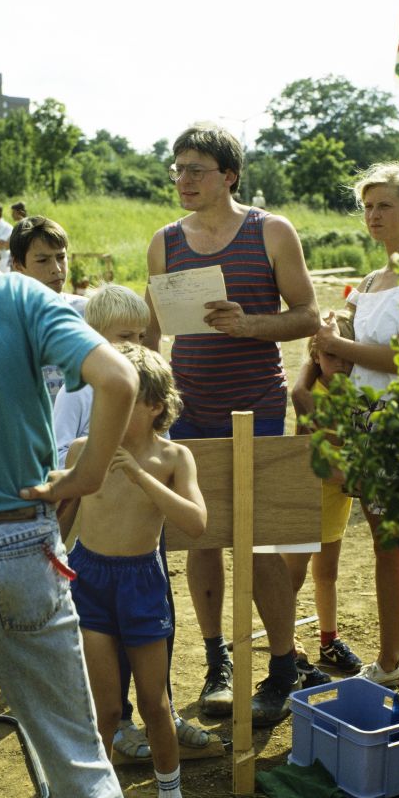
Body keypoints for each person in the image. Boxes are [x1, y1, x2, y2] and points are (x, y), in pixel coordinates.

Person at [0, 156, 140, 798]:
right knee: (77, 764)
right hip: (17, 544)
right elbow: (119, 377)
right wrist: (85, 475)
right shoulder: (20, 295)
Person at [145, 123, 320, 726]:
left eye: (196, 169)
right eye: (178, 168)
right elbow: (150, 335)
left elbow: (307, 316)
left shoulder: (270, 231)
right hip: (188, 408)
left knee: (262, 539)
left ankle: (280, 666)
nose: (183, 180)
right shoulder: (164, 242)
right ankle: (218, 662)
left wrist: (250, 325)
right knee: (202, 539)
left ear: (228, 175)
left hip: (258, 406)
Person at [53, 283, 210, 759]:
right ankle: (99, 780)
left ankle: (168, 783)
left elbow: (194, 519)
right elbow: (64, 498)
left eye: (142, 336)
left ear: (155, 404)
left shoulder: (169, 449)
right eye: (127, 337)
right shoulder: (84, 419)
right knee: (103, 707)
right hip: (90, 566)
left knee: (155, 700)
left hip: (142, 572)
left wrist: (142, 478)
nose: (111, 406)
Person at [314, 161, 399, 686]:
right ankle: (390, 664)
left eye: (384, 205)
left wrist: (336, 343)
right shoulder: (369, 280)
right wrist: (330, 337)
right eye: (367, 206)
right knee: (383, 547)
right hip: (367, 428)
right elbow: (345, 352)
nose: (373, 215)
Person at [287, 310, 362, 675]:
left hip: (337, 497)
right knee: (292, 574)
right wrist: (348, 474)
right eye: (332, 356)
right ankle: (287, 643)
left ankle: (328, 640)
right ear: (316, 355)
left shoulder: (358, 390)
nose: (342, 365)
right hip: (306, 493)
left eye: (348, 355)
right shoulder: (310, 393)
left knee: (327, 573)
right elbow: (309, 452)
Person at [10, 215, 88, 404]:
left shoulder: (88, 312)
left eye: (61, 257)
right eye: (43, 260)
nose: (56, 269)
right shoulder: (6, 319)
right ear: (19, 265)